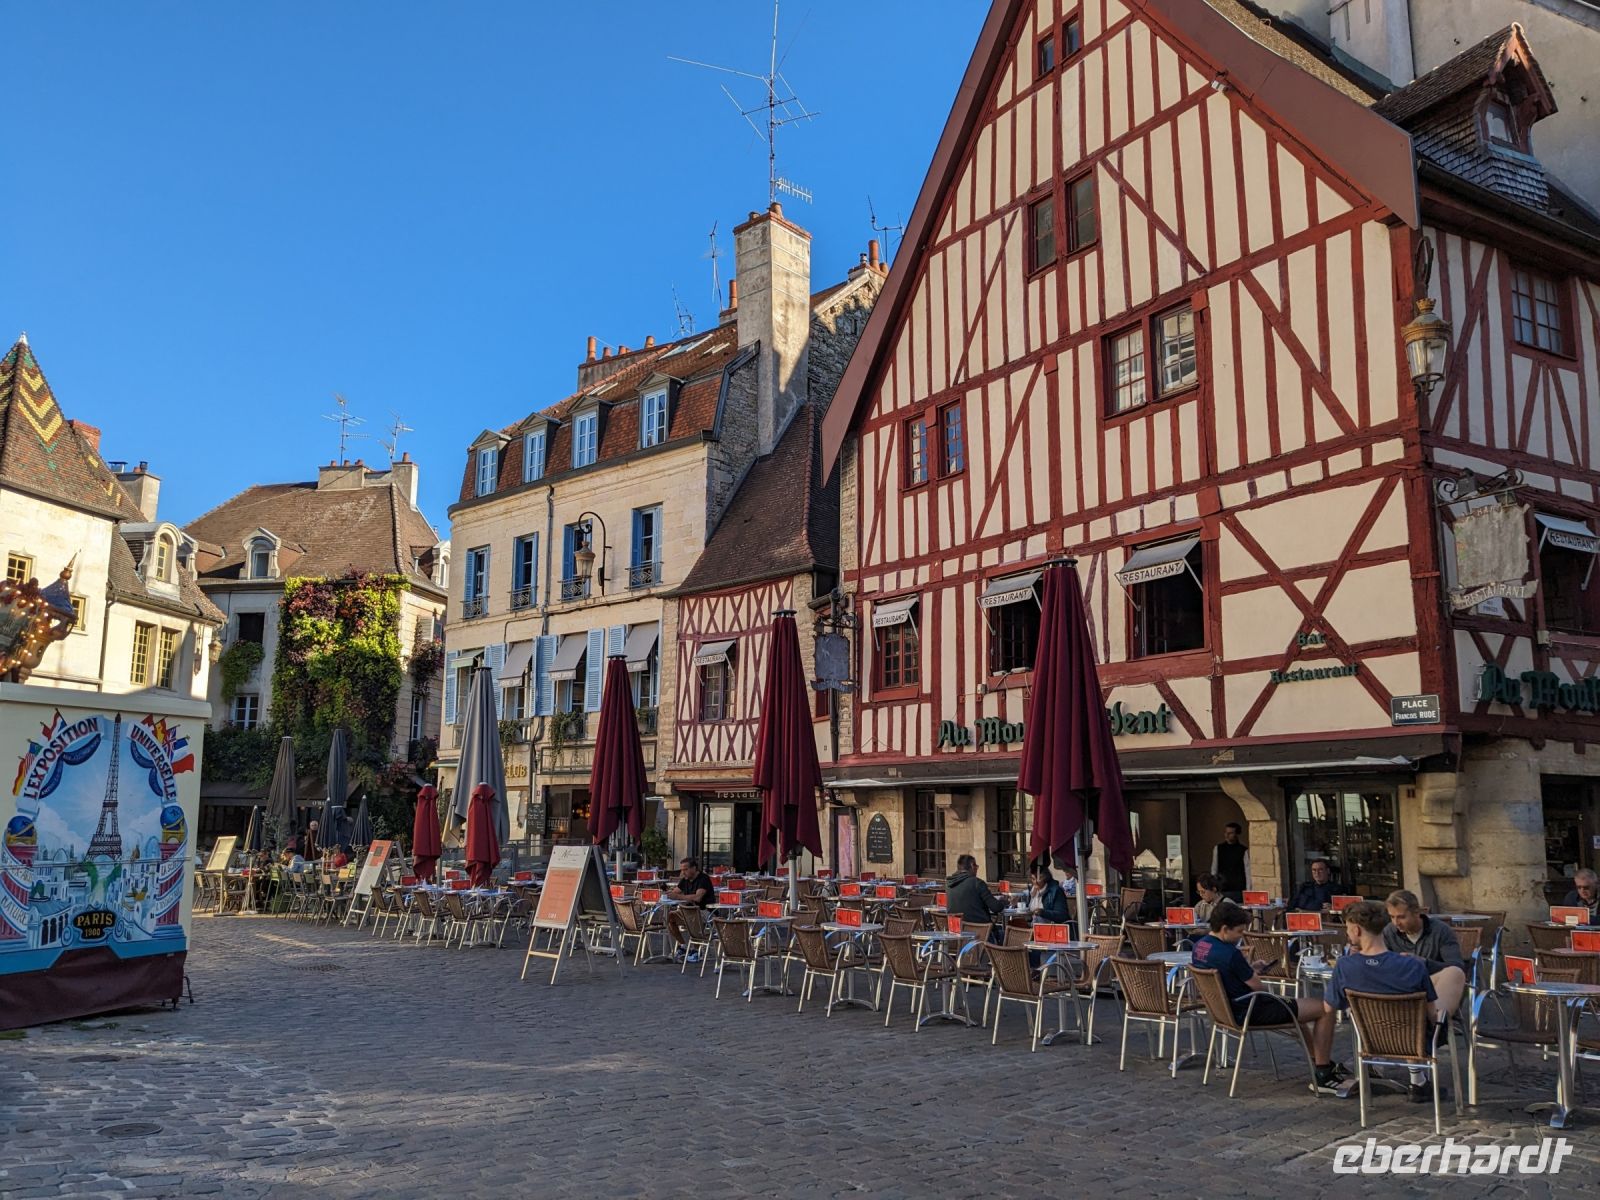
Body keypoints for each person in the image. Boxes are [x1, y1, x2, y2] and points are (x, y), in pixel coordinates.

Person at [1190, 903, 1343, 1091]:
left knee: (1300, 1016)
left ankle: (1319, 1061)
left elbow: (1227, 974)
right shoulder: (1230, 953)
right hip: (1251, 1010)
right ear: (1224, 929)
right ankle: (1323, 1073)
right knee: (1325, 1007)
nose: (1241, 937)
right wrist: (1253, 974)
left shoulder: (1200, 946)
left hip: (1225, 1011)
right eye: (1239, 932)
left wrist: (1249, 969)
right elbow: (1257, 985)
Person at [1327, 900, 1467, 1103]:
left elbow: (1328, 1008)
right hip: (1414, 1039)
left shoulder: (1344, 966)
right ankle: (1418, 1081)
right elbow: (1430, 1014)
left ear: (1356, 930)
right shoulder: (1412, 966)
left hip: (1370, 1039)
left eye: (1348, 930)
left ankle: (1405, 1076)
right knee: (1450, 978)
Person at [1382, 890, 1464, 974]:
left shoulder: (1441, 931)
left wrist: (1425, 963)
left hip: (1433, 983)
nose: (1396, 923)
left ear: (1416, 913)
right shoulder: (1389, 932)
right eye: (1392, 917)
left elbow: (1457, 967)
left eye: (1402, 917)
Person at [947, 854, 1007, 943]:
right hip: (981, 935)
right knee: (1008, 936)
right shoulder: (977, 883)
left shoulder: (949, 885)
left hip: (957, 936)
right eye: (976, 866)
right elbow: (996, 907)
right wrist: (1004, 901)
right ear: (972, 865)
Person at [666, 857, 714, 961]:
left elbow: (698, 898)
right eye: (682, 870)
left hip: (705, 911)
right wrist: (667, 894)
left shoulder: (703, 879)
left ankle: (697, 950)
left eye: (685, 869)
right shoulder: (685, 880)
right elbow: (675, 892)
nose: (683, 872)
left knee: (693, 914)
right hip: (688, 911)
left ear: (694, 868)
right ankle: (683, 946)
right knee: (670, 917)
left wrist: (678, 897)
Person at [1210, 822, 1250, 901]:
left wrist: (1248, 890)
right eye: (1226, 832)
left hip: (1238, 890)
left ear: (1237, 834)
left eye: (1230, 833)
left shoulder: (1243, 850)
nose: (1227, 835)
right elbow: (1214, 869)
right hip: (1222, 889)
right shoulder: (1218, 848)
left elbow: (1248, 871)